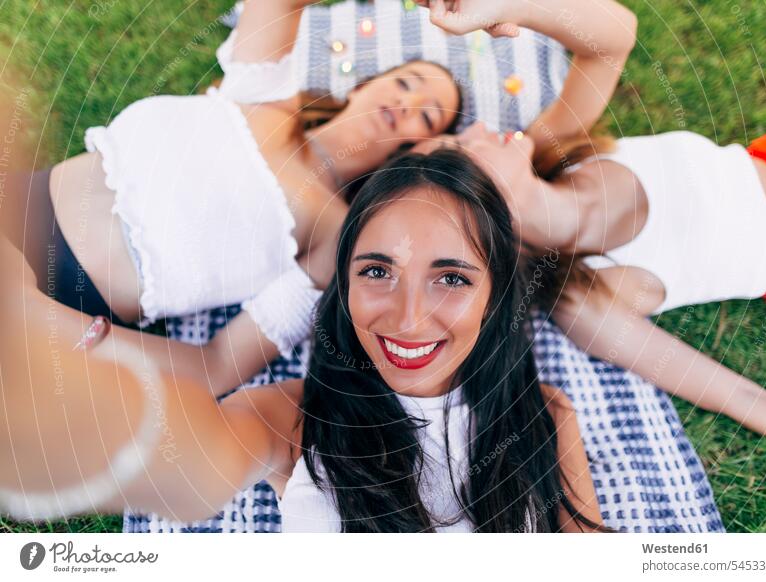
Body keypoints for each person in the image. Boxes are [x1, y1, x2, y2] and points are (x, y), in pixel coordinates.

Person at [1, 149, 602, 532]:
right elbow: (191, 471)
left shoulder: (548, 414)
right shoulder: (290, 415)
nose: (409, 317)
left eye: (451, 278)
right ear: (342, 286)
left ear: (495, 293)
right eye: (376, 271)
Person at [20, 0, 462, 396]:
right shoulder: (263, 95)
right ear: (365, 84)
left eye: (427, 115)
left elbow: (216, 366)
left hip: (58, 306)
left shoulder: (339, 237)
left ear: (419, 148)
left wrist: (86, 343)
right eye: (407, 83)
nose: (409, 103)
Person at [425, 108, 766, 454]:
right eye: (460, 144)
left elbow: (614, 40)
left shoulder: (569, 151)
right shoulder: (581, 302)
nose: (476, 127)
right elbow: (735, 394)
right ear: (473, 208)